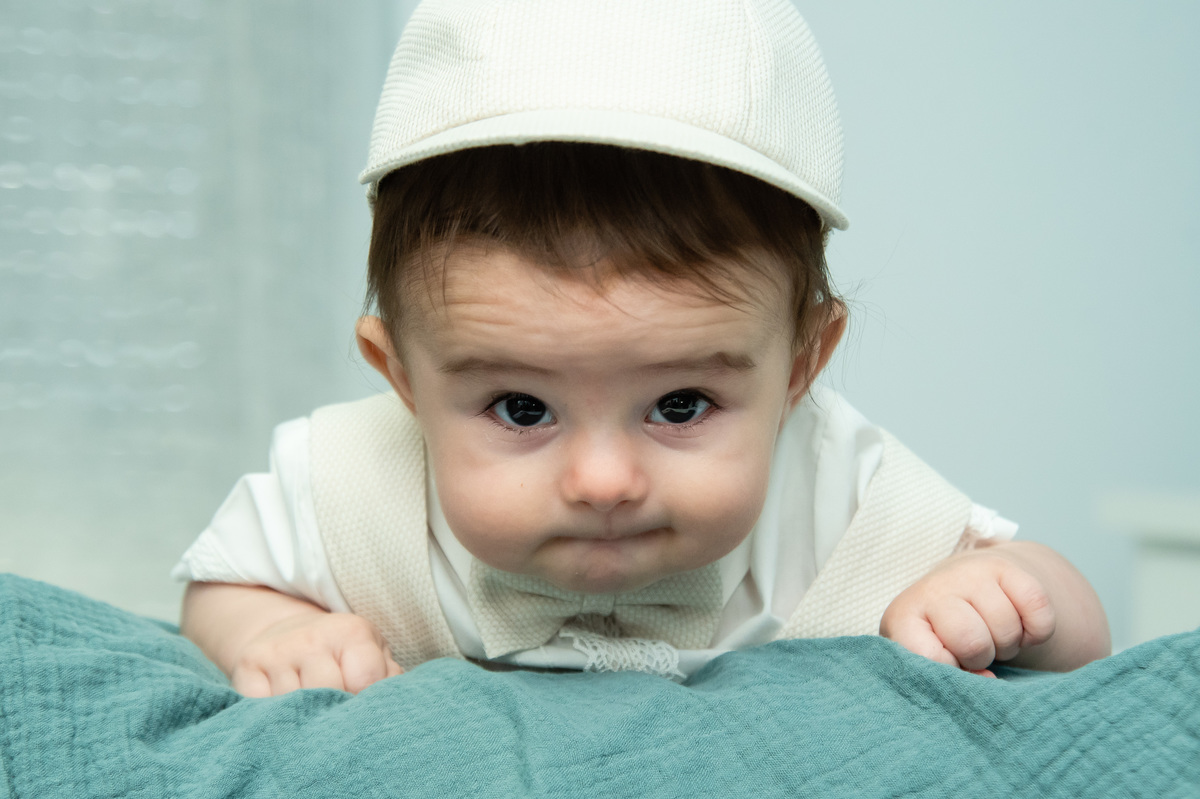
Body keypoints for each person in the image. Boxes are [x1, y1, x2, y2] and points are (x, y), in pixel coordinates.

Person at [174, 0, 1110, 698]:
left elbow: (1081, 633)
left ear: (799, 366)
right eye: (522, 408)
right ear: (403, 380)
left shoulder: (845, 495)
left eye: (679, 405)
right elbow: (219, 582)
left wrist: (1005, 596)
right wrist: (271, 632)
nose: (604, 481)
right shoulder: (350, 485)